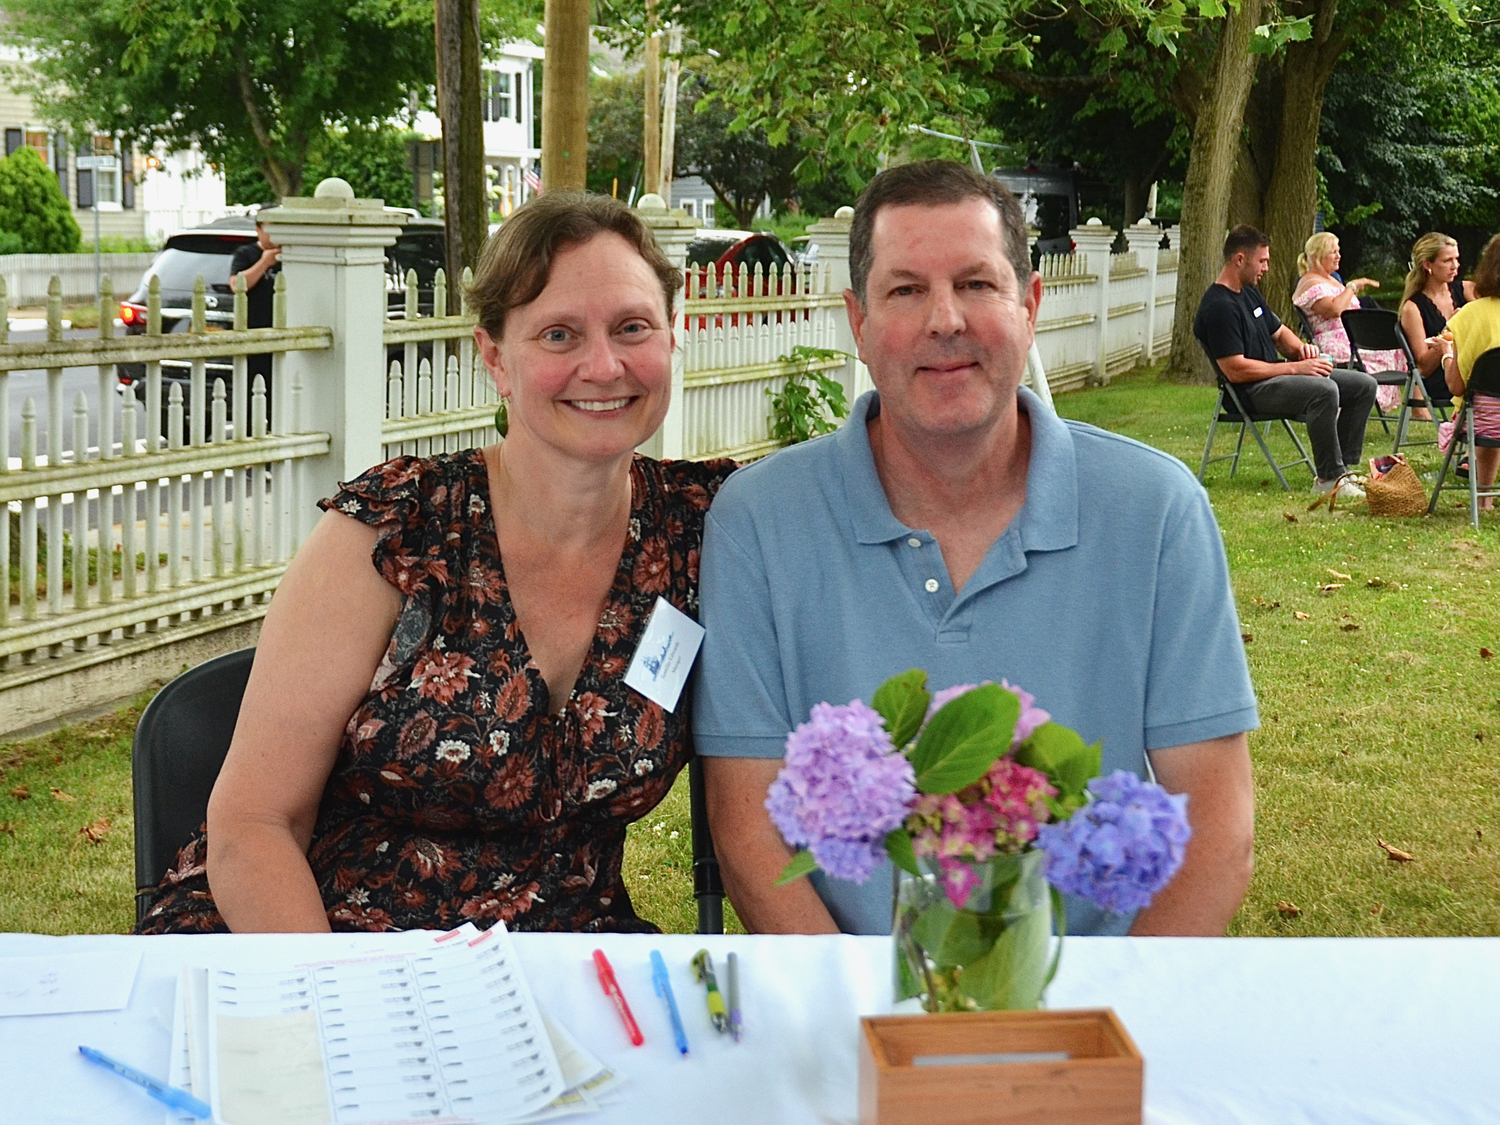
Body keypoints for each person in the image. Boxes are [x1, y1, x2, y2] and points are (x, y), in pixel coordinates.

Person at [137, 193, 736, 934]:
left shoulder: (706, 528)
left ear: (673, 337)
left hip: (559, 965)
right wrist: (342, 1011)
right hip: (310, 946)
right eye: (558, 334)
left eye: (632, 328)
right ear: (496, 358)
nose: (604, 364)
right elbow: (253, 822)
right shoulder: (396, 531)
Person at [693, 160, 1257, 939]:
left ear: (1029, 306)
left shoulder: (1157, 514)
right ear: (856, 322)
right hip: (859, 1002)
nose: (945, 319)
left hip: (1090, 995)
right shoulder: (758, 523)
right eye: (905, 290)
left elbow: (1218, 826)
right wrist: (874, 1026)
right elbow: (749, 831)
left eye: (977, 284)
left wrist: (1092, 1029)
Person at [1194, 225, 1377, 499]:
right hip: (1251, 391)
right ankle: (1328, 478)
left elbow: (1278, 332)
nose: (1266, 267)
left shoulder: (1249, 293)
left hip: (1277, 376)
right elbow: (1235, 370)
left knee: (1363, 385)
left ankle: (1343, 470)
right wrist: (1295, 368)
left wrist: (1302, 350)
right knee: (1324, 391)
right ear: (1240, 259)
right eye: (1262, 261)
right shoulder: (1219, 306)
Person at [1292, 231, 1408, 414]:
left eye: (1338, 251)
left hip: (1353, 336)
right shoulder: (1309, 283)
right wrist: (1352, 287)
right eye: (1333, 252)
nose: (1339, 256)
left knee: (1403, 344)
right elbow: (1335, 310)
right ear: (1317, 256)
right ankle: (1418, 402)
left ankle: (1417, 399)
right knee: (1399, 347)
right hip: (1334, 342)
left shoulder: (1330, 279)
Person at [1440, 233, 1500, 507]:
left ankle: (1484, 502)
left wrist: (1446, 355)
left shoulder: (1467, 316)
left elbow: (1457, 387)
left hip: (1484, 422)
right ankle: (1486, 500)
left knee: (1484, 405)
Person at [1399, 232, 1477, 408]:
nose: (1455, 266)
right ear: (1428, 264)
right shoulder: (1412, 308)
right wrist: (1449, 329)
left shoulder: (1465, 289)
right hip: (1442, 378)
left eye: (1456, 259)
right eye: (1447, 260)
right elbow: (1424, 367)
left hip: (1472, 367)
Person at [229, 218, 282, 391]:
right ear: (258, 230)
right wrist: (265, 262)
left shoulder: (293, 254)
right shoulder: (246, 254)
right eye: (269, 229)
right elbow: (236, 284)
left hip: (282, 333)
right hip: (254, 333)